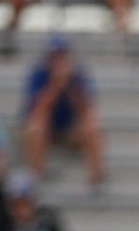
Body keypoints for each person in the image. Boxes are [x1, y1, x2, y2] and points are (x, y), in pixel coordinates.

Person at [19, 37, 105, 190]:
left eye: (61, 56)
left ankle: (96, 179)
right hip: (47, 131)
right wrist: (56, 85)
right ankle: (35, 179)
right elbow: (38, 110)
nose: (58, 61)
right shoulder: (39, 74)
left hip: (70, 131)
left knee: (92, 126)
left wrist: (69, 86)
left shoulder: (78, 76)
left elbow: (85, 110)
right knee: (35, 127)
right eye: (54, 56)